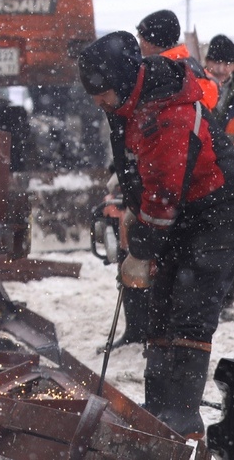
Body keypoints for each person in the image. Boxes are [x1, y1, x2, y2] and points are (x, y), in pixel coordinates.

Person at [78, 31, 234, 439]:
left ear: (123, 79)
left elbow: (163, 197)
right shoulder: (131, 103)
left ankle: (182, 420)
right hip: (183, 216)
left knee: (190, 318)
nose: (98, 101)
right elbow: (140, 176)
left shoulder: (168, 113)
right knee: (159, 312)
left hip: (214, 215)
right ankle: (158, 412)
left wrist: (140, 250)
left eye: (102, 92)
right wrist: (132, 212)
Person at [136, 9, 219, 110]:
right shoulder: (190, 63)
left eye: (141, 38)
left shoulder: (163, 71)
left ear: (152, 44)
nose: (139, 44)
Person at [204, 34, 234, 135]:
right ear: (207, 61)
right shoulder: (194, 85)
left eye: (227, 64)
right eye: (217, 62)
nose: (221, 69)